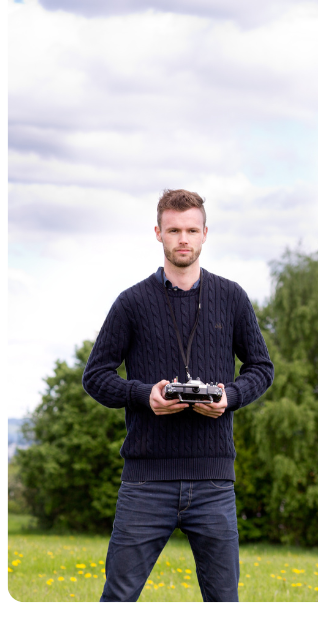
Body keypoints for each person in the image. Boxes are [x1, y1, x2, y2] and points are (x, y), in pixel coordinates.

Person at [82, 189, 274, 603]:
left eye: (191, 230)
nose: (182, 238)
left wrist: (230, 397)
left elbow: (262, 369)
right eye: (173, 230)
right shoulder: (131, 302)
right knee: (117, 597)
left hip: (214, 480)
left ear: (206, 234)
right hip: (146, 479)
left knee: (224, 599)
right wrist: (143, 396)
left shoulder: (232, 297)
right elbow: (95, 376)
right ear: (158, 233)